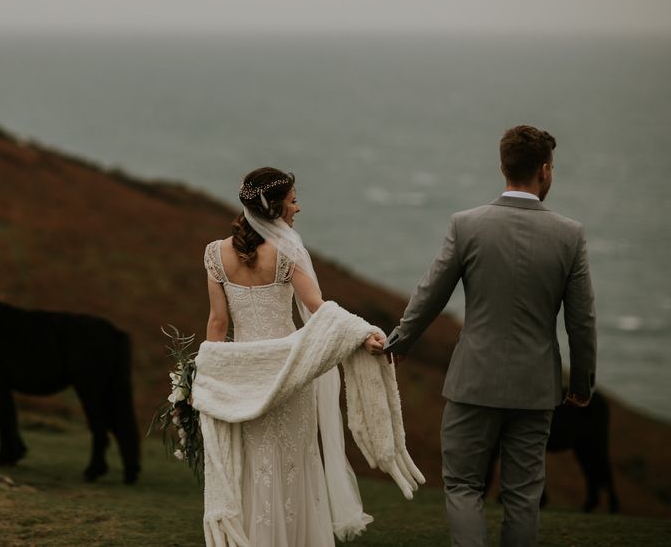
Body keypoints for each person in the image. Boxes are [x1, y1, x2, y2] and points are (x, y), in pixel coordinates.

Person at [382, 125, 596, 547]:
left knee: (463, 486)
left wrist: (400, 343)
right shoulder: (570, 235)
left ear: (503, 167)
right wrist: (584, 383)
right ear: (546, 170)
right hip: (536, 389)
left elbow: (431, 294)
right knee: (523, 496)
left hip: (473, 382)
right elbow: (582, 320)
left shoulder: (467, 225)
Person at [203, 167, 386, 547]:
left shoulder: (216, 254)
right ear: (275, 207)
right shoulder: (287, 251)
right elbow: (317, 307)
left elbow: (217, 325)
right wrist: (361, 333)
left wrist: (209, 380)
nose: (297, 208)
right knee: (293, 464)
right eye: (293, 200)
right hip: (289, 374)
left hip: (244, 378)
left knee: (252, 465)